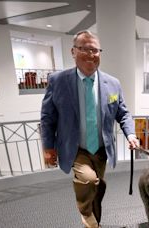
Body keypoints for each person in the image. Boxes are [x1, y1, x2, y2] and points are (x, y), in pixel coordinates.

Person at [40, 30, 139, 228]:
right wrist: (48, 147)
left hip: (101, 150)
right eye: (85, 49)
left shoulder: (113, 83)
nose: (91, 54)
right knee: (88, 181)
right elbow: (47, 117)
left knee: (98, 187)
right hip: (76, 149)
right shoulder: (58, 81)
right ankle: (87, 215)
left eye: (95, 50)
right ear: (73, 52)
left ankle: (94, 223)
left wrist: (131, 134)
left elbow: (123, 113)